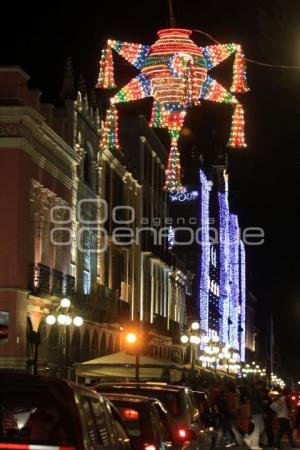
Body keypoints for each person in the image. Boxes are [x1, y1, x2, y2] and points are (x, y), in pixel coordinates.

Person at [244, 380, 266, 450]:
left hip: (255, 411)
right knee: (257, 428)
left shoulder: (253, 391)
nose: (262, 387)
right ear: (259, 385)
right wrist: (262, 410)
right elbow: (257, 403)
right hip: (257, 412)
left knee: (261, 427)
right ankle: (254, 445)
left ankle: (250, 438)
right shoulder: (255, 392)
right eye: (262, 385)